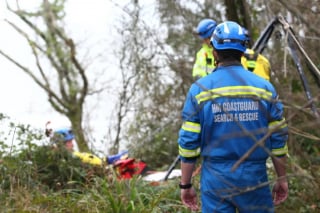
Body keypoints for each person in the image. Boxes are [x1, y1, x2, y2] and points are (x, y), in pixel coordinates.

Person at [178, 21, 289, 212]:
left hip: (215, 179)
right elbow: (278, 138)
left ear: (214, 50)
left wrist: (186, 185)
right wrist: (282, 178)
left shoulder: (199, 90)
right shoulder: (264, 88)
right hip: (255, 177)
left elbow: (189, 144)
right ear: (243, 50)